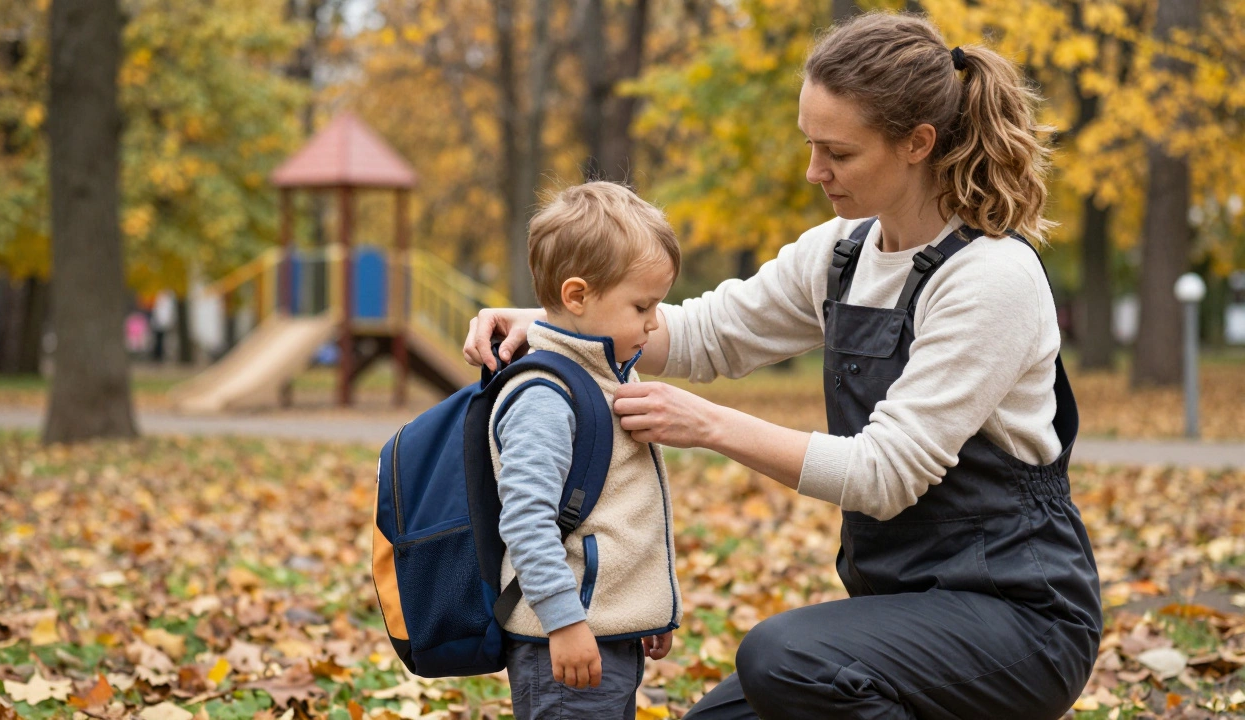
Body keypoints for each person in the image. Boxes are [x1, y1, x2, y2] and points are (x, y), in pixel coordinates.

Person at [464, 12, 1102, 720]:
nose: (814, 171)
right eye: (810, 145)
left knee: (783, 658)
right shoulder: (842, 254)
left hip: (1018, 621)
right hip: (902, 617)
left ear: (918, 144)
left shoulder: (991, 278)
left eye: (838, 152)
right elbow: (708, 333)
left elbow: (882, 476)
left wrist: (704, 423)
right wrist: (549, 324)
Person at [493, 181, 683, 719]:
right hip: (566, 636)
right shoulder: (547, 397)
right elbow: (526, 519)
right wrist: (563, 621)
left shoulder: (604, 377)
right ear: (577, 296)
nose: (654, 322)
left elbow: (619, 514)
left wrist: (646, 611)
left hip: (603, 630)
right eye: (642, 305)